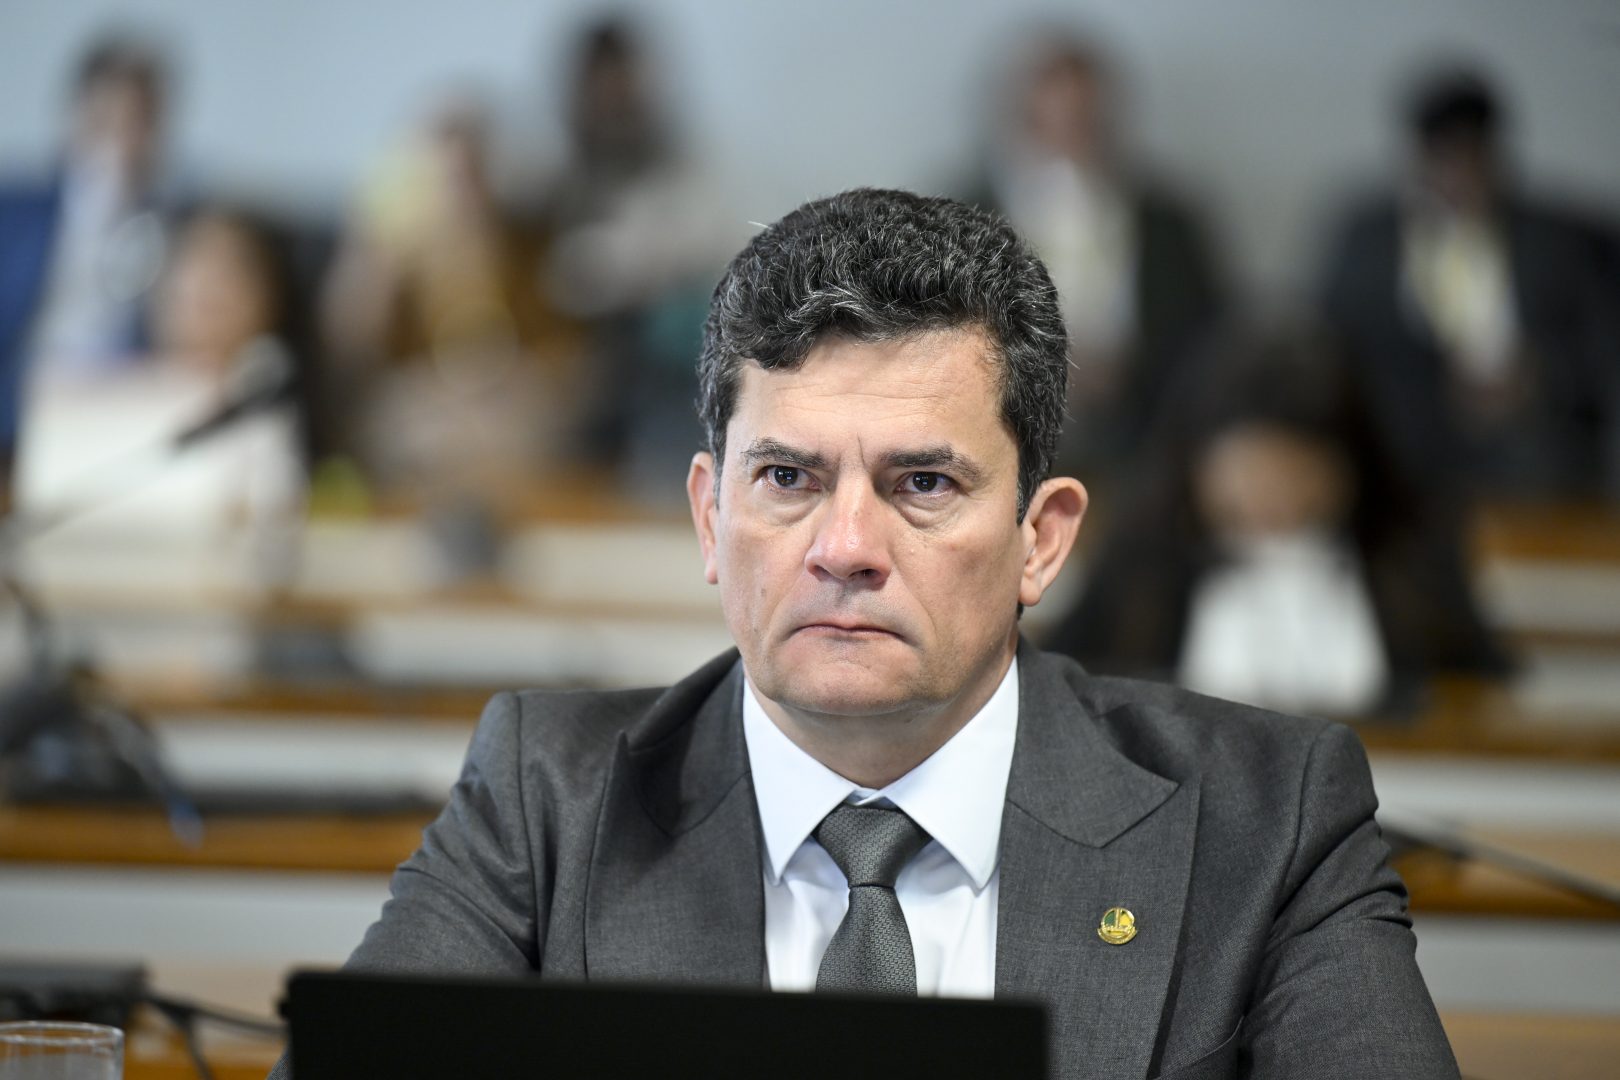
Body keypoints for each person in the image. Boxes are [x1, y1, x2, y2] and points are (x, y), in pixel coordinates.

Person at [269, 190, 1456, 1079]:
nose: (844, 547)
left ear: (1042, 538)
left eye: (923, 484)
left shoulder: (1268, 820)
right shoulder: (547, 802)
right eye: (787, 477)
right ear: (711, 516)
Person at [1044, 329, 1509, 717]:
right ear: (1197, 463)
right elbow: (1063, 680)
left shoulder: (1410, 559)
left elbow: (1483, 693)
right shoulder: (1142, 560)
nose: (1273, 498)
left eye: (1298, 475)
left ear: (1350, 468)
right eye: (1250, 473)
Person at [1317, 63, 1620, 498]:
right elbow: (1331, 340)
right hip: (1404, 436)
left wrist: (1541, 377)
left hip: (1534, 439)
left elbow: (1603, 345)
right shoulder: (1366, 237)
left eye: (1471, 156)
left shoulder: (1565, 240)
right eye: (1443, 158)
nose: (1456, 176)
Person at [968, 33, 1223, 479]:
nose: (1068, 132)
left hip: (1143, 425)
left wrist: (1126, 366)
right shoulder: (968, 211)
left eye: (1083, 119)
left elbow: (1205, 327)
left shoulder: (1168, 220)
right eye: (1053, 118)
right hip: (1004, 416)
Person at [0, 33, 179, 487]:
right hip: (20, 409)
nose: (120, 139)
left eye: (136, 122)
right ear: (76, 116)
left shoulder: (175, 225)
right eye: (105, 118)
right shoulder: (17, 212)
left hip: (119, 419)